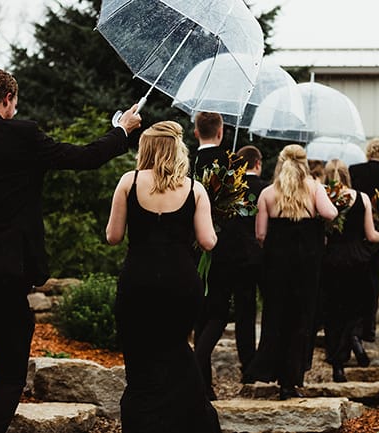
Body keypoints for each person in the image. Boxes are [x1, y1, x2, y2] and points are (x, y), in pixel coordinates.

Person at [0, 68, 142, 433]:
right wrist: (123, 131)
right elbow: (84, 157)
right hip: (4, 276)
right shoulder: (23, 136)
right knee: (10, 374)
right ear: (8, 99)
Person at [106, 120, 220, 433]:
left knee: (140, 360)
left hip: (138, 283)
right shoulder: (194, 188)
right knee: (176, 351)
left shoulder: (128, 182)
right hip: (180, 284)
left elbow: (113, 236)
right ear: (176, 150)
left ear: (146, 149)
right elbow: (209, 241)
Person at [243, 144, 338, 400]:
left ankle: (271, 370)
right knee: (301, 318)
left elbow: (260, 234)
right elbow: (331, 212)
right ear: (304, 163)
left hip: (276, 265)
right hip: (307, 264)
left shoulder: (267, 193)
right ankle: (292, 379)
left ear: (280, 162)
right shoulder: (314, 187)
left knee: (276, 317)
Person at [321, 159, 379, 382]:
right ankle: (353, 338)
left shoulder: (323, 197)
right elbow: (371, 235)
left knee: (333, 312)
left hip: (331, 259)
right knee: (354, 308)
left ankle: (337, 366)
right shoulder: (362, 198)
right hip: (357, 260)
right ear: (346, 174)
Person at [191, 111, 231, 400]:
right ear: (221, 132)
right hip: (221, 245)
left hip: (190, 245)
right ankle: (196, 368)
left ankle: (205, 387)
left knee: (199, 313)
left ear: (196, 133)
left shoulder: (186, 162)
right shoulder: (229, 164)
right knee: (218, 312)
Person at [348, 137, 379, 342]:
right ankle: (368, 329)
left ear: (368, 153)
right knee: (372, 279)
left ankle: (352, 326)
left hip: (354, 232)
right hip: (377, 233)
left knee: (354, 280)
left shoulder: (354, 170)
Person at [226, 145, 268, 377]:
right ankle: (264, 360)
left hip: (237, 256)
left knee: (245, 311)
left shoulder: (231, 189)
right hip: (263, 256)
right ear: (258, 163)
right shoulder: (267, 189)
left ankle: (247, 362)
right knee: (269, 308)